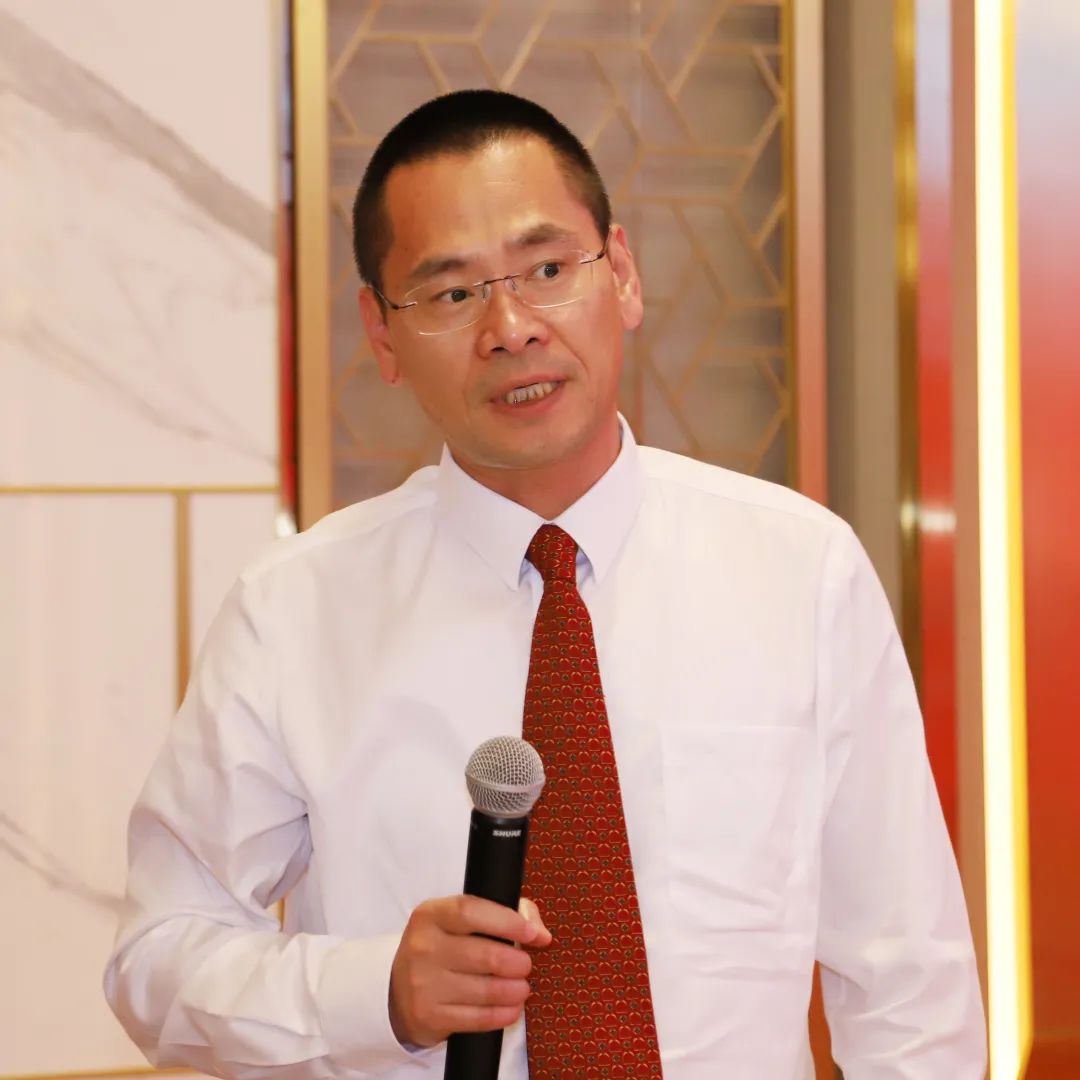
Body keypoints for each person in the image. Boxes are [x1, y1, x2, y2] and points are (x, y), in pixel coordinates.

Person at [104, 89, 987, 1078]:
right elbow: (157, 960)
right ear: (382, 334)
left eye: (548, 270)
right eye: (451, 294)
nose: (511, 326)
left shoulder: (801, 570)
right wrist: (376, 990)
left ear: (625, 276)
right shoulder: (293, 613)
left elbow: (908, 981)